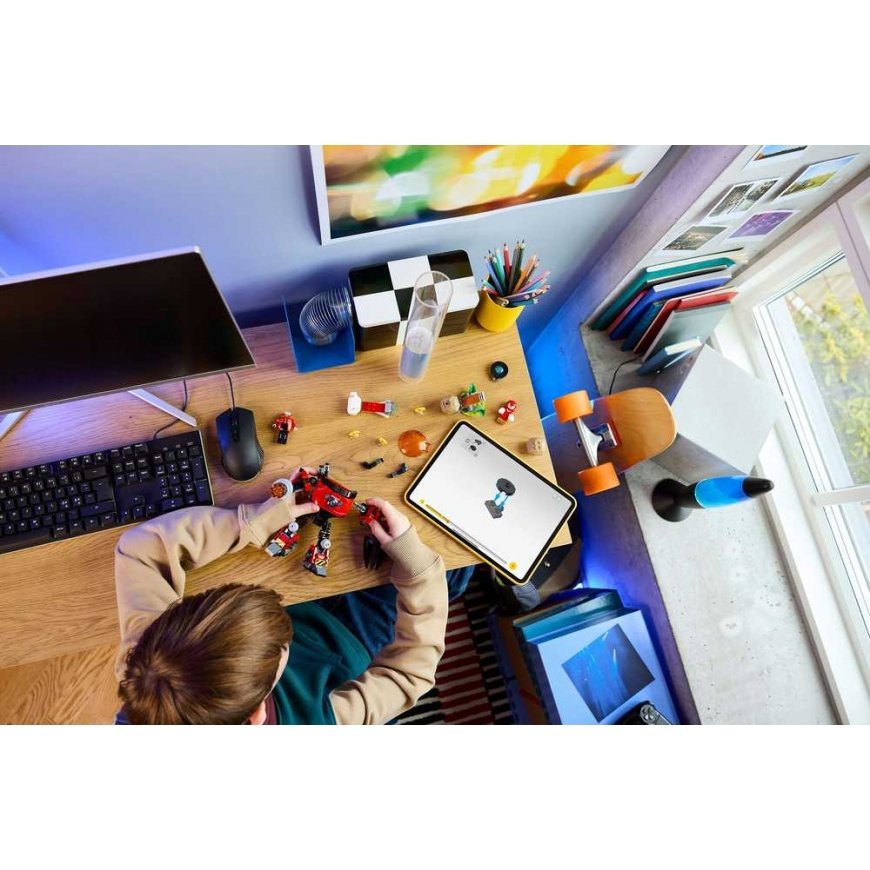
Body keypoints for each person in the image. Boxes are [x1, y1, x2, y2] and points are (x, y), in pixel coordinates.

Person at [114, 466, 467, 725]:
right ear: (257, 715)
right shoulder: (315, 724)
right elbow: (409, 677)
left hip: (307, 619)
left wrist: (252, 523)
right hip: (349, 640)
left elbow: (140, 548)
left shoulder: (147, 668)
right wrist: (421, 571)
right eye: (282, 648)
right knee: (456, 565)